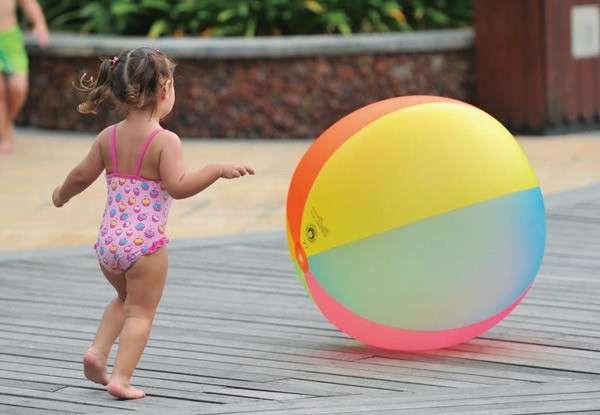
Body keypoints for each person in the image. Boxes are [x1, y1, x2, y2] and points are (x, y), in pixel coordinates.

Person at [52, 47, 255, 399]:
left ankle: (96, 353)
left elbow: (81, 175)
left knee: (123, 298)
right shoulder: (164, 141)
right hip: (145, 246)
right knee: (141, 313)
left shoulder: (108, 137)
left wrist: (61, 194)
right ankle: (121, 378)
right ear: (164, 89)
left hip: (109, 245)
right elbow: (179, 186)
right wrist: (216, 170)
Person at [0, 0, 49, 154]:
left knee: (18, 88)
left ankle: (6, 123)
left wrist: (40, 24)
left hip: (10, 38)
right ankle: (4, 136)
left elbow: (28, 2)